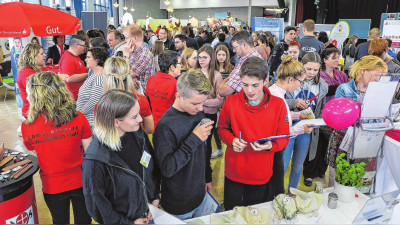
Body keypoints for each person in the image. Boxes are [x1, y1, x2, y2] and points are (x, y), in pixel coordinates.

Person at [218, 56, 289, 210]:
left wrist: (271, 146)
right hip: (234, 171)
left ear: (265, 81)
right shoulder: (231, 102)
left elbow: (284, 138)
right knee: (232, 212)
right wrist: (232, 140)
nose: (249, 90)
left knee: (255, 212)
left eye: (255, 85)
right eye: (245, 85)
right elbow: (222, 128)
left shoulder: (278, 105)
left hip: (261, 172)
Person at [22, 71, 92, 224]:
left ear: (37, 96)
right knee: (84, 220)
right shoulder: (78, 117)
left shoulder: (27, 127)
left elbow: (38, 152)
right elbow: (90, 154)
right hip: (81, 181)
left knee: (59, 221)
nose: (26, 97)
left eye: (28, 94)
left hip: (53, 186)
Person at [82, 89, 160, 224]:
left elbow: (150, 168)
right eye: (134, 117)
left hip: (148, 213)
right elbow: (99, 207)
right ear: (116, 122)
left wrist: (154, 198)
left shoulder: (138, 134)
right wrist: (130, 223)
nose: (141, 119)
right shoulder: (95, 161)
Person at [153, 69, 214, 220]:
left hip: (201, 195)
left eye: (203, 103)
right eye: (195, 103)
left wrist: (207, 176)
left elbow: (205, 149)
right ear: (178, 96)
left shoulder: (197, 112)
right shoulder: (165, 126)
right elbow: (167, 168)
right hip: (178, 204)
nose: (201, 108)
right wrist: (194, 138)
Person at [327, 55, 387, 187]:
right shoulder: (344, 89)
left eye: (381, 76)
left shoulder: (378, 93)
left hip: (366, 141)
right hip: (343, 140)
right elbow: (338, 120)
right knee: (336, 178)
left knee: (359, 178)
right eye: (376, 74)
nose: (378, 79)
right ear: (363, 70)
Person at [267, 54, 314, 198]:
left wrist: (297, 116)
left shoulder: (277, 93)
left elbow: (282, 117)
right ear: (290, 79)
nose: (300, 85)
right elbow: (280, 131)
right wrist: (302, 129)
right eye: (300, 81)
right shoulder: (277, 97)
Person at [284, 53, 328, 188]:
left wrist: (318, 123)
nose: (311, 73)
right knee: (283, 165)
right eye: (308, 69)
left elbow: (321, 108)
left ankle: (292, 192)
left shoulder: (322, 85)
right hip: (288, 127)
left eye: (315, 70)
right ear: (302, 65)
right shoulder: (290, 79)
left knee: (298, 166)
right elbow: (278, 101)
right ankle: (277, 195)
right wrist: (293, 102)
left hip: (307, 129)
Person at [102, 57, 154, 134]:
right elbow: (150, 128)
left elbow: (104, 132)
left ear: (107, 78)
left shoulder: (102, 105)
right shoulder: (141, 100)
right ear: (128, 75)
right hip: (136, 143)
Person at [196, 46, 225, 160]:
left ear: (211, 59)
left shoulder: (217, 75)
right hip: (195, 113)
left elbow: (220, 100)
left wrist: (203, 102)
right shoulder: (194, 73)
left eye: (204, 57)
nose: (201, 60)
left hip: (209, 114)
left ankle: (207, 170)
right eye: (199, 57)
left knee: (207, 142)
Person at [218, 31, 264, 97]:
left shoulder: (248, 64)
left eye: (235, 47)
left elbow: (222, 91)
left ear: (244, 45)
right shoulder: (251, 58)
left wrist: (224, 81)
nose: (233, 50)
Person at [145, 50, 181, 128]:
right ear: (172, 67)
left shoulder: (151, 79)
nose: (181, 66)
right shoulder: (176, 84)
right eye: (180, 63)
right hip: (167, 126)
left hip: (151, 123)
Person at [76, 47, 109, 127]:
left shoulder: (99, 77)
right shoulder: (94, 74)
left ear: (97, 59)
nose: (86, 60)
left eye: (88, 57)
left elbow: (95, 100)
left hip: (92, 123)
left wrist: (80, 113)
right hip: (88, 121)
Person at [122, 24, 155, 92]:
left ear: (135, 38)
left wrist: (126, 56)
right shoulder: (132, 51)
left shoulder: (145, 55)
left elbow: (125, 74)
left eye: (127, 38)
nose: (125, 41)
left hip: (141, 97)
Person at [17, 43, 45, 118]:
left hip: (37, 111)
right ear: (33, 56)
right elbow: (38, 93)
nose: (44, 55)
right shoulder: (26, 73)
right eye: (41, 54)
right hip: (32, 113)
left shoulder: (34, 70)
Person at [58, 35, 88, 100]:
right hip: (74, 97)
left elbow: (79, 70)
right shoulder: (68, 59)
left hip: (79, 95)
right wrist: (88, 74)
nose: (84, 48)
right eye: (83, 46)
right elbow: (69, 78)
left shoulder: (75, 56)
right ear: (76, 46)